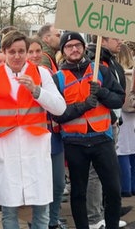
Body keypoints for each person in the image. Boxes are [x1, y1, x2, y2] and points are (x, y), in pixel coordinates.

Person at [0, 30, 66, 229]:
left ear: (27, 52)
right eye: (12, 52)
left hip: (35, 148)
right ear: (4, 52)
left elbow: (60, 108)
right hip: (6, 148)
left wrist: (37, 91)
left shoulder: (41, 74)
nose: (17, 56)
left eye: (21, 51)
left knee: (41, 209)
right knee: (9, 210)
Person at [52, 32, 124, 229]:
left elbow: (119, 99)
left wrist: (101, 92)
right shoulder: (57, 79)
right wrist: (83, 106)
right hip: (75, 143)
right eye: (69, 46)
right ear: (63, 51)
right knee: (78, 193)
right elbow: (57, 114)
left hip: (102, 139)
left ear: (84, 47)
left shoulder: (100, 70)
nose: (74, 49)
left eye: (78, 45)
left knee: (114, 191)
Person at [86, 35, 127, 228]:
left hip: (113, 121)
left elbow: (117, 92)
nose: (121, 41)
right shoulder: (96, 62)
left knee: (109, 173)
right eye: (116, 38)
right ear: (104, 38)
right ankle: (95, 217)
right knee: (97, 173)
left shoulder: (110, 59)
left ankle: (107, 212)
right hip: (102, 124)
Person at [27, 36, 67, 229]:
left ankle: (52, 220)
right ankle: (38, 220)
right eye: (30, 51)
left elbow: (59, 104)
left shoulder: (47, 73)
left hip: (54, 134)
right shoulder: (17, 76)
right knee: (38, 185)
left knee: (58, 184)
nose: (34, 55)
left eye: (37, 51)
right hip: (33, 138)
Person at [117, 44, 135, 198]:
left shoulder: (119, 73)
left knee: (121, 151)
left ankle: (125, 187)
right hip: (133, 115)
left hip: (123, 115)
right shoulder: (133, 71)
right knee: (133, 150)